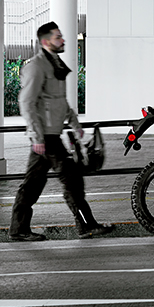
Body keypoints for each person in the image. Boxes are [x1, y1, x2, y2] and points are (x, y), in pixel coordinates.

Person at [8, 22, 113, 241]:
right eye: (58, 37)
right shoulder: (36, 66)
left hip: (51, 135)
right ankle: (86, 226)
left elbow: (59, 101)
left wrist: (74, 123)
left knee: (34, 183)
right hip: (45, 137)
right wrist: (36, 136)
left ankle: (19, 229)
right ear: (45, 42)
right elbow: (26, 102)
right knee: (71, 179)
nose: (63, 40)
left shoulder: (54, 64)